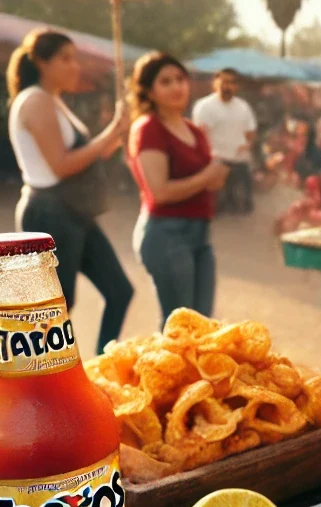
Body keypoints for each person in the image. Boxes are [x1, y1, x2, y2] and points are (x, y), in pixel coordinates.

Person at [6, 28, 134, 354]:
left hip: (75, 210)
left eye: (74, 58)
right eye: (65, 59)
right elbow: (60, 165)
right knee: (53, 310)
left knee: (118, 290)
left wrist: (121, 128)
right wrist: (108, 134)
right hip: (49, 211)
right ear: (41, 62)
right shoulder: (34, 100)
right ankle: (38, 388)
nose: (74, 66)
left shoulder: (55, 101)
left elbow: (96, 153)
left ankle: (101, 368)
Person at [127, 52, 229, 324]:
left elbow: (213, 183)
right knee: (179, 329)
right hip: (166, 234)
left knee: (203, 326)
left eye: (180, 79)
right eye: (165, 81)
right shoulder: (148, 129)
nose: (176, 87)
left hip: (201, 235)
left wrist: (222, 169)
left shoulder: (194, 131)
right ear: (149, 91)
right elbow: (159, 192)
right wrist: (209, 174)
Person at [192, 68, 256, 214]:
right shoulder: (204, 106)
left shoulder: (243, 107)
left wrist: (248, 145)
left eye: (232, 83)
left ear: (237, 87)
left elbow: (250, 131)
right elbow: (200, 135)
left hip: (239, 161)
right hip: (216, 162)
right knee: (216, 209)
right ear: (215, 83)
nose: (227, 86)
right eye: (224, 81)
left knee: (244, 209)